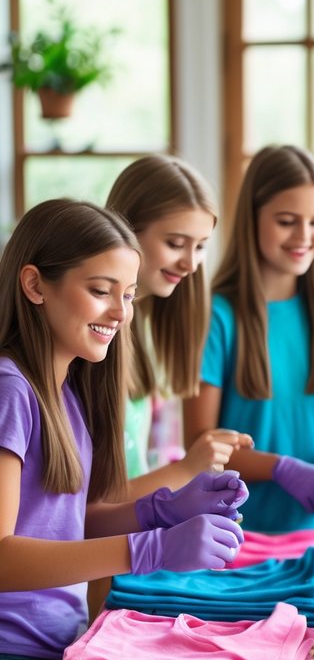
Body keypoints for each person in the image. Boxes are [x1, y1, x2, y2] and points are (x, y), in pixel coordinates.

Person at [0, 199, 246, 660]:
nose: (120, 312)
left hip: (55, 651)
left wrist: (160, 511)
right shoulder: (10, 390)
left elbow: (64, 525)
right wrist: (149, 549)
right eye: (100, 291)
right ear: (34, 285)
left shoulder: (65, 391)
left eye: (128, 295)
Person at [183, 144, 314, 533]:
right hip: (231, 533)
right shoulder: (216, 315)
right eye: (287, 221)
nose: (304, 235)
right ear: (252, 220)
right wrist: (279, 468)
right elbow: (200, 445)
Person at [106, 154, 252, 493]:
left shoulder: (142, 327)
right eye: (175, 243)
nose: (190, 263)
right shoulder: (95, 337)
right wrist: (187, 470)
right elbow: (88, 505)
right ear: (126, 231)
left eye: (200, 246)